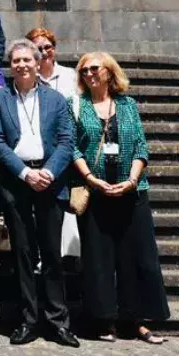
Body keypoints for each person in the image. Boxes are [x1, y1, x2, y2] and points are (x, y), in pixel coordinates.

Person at [0, 39, 80, 347]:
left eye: (27, 60)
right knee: (23, 254)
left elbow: (67, 140)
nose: (22, 65)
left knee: (52, 254)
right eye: (16, 61)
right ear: (10, 65)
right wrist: (26, 173)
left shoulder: (56, 98)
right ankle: (28, 319)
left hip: (50, 182)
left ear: (38, 63)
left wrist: (48, 172)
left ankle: (57, 321)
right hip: (17, 182)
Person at [72, 52, 170, 344]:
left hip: (131, 192)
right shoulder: (75, 105)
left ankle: (135, 321)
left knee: (135, 257)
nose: (89, 74)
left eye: (94, 68)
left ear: (109, 71)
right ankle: (103, 320)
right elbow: (73, 147)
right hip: (95, 192)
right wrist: (91, 178)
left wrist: (131, 180)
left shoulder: (128, 105)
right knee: (98, 259)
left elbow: (140, 146)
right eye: (84, 70)